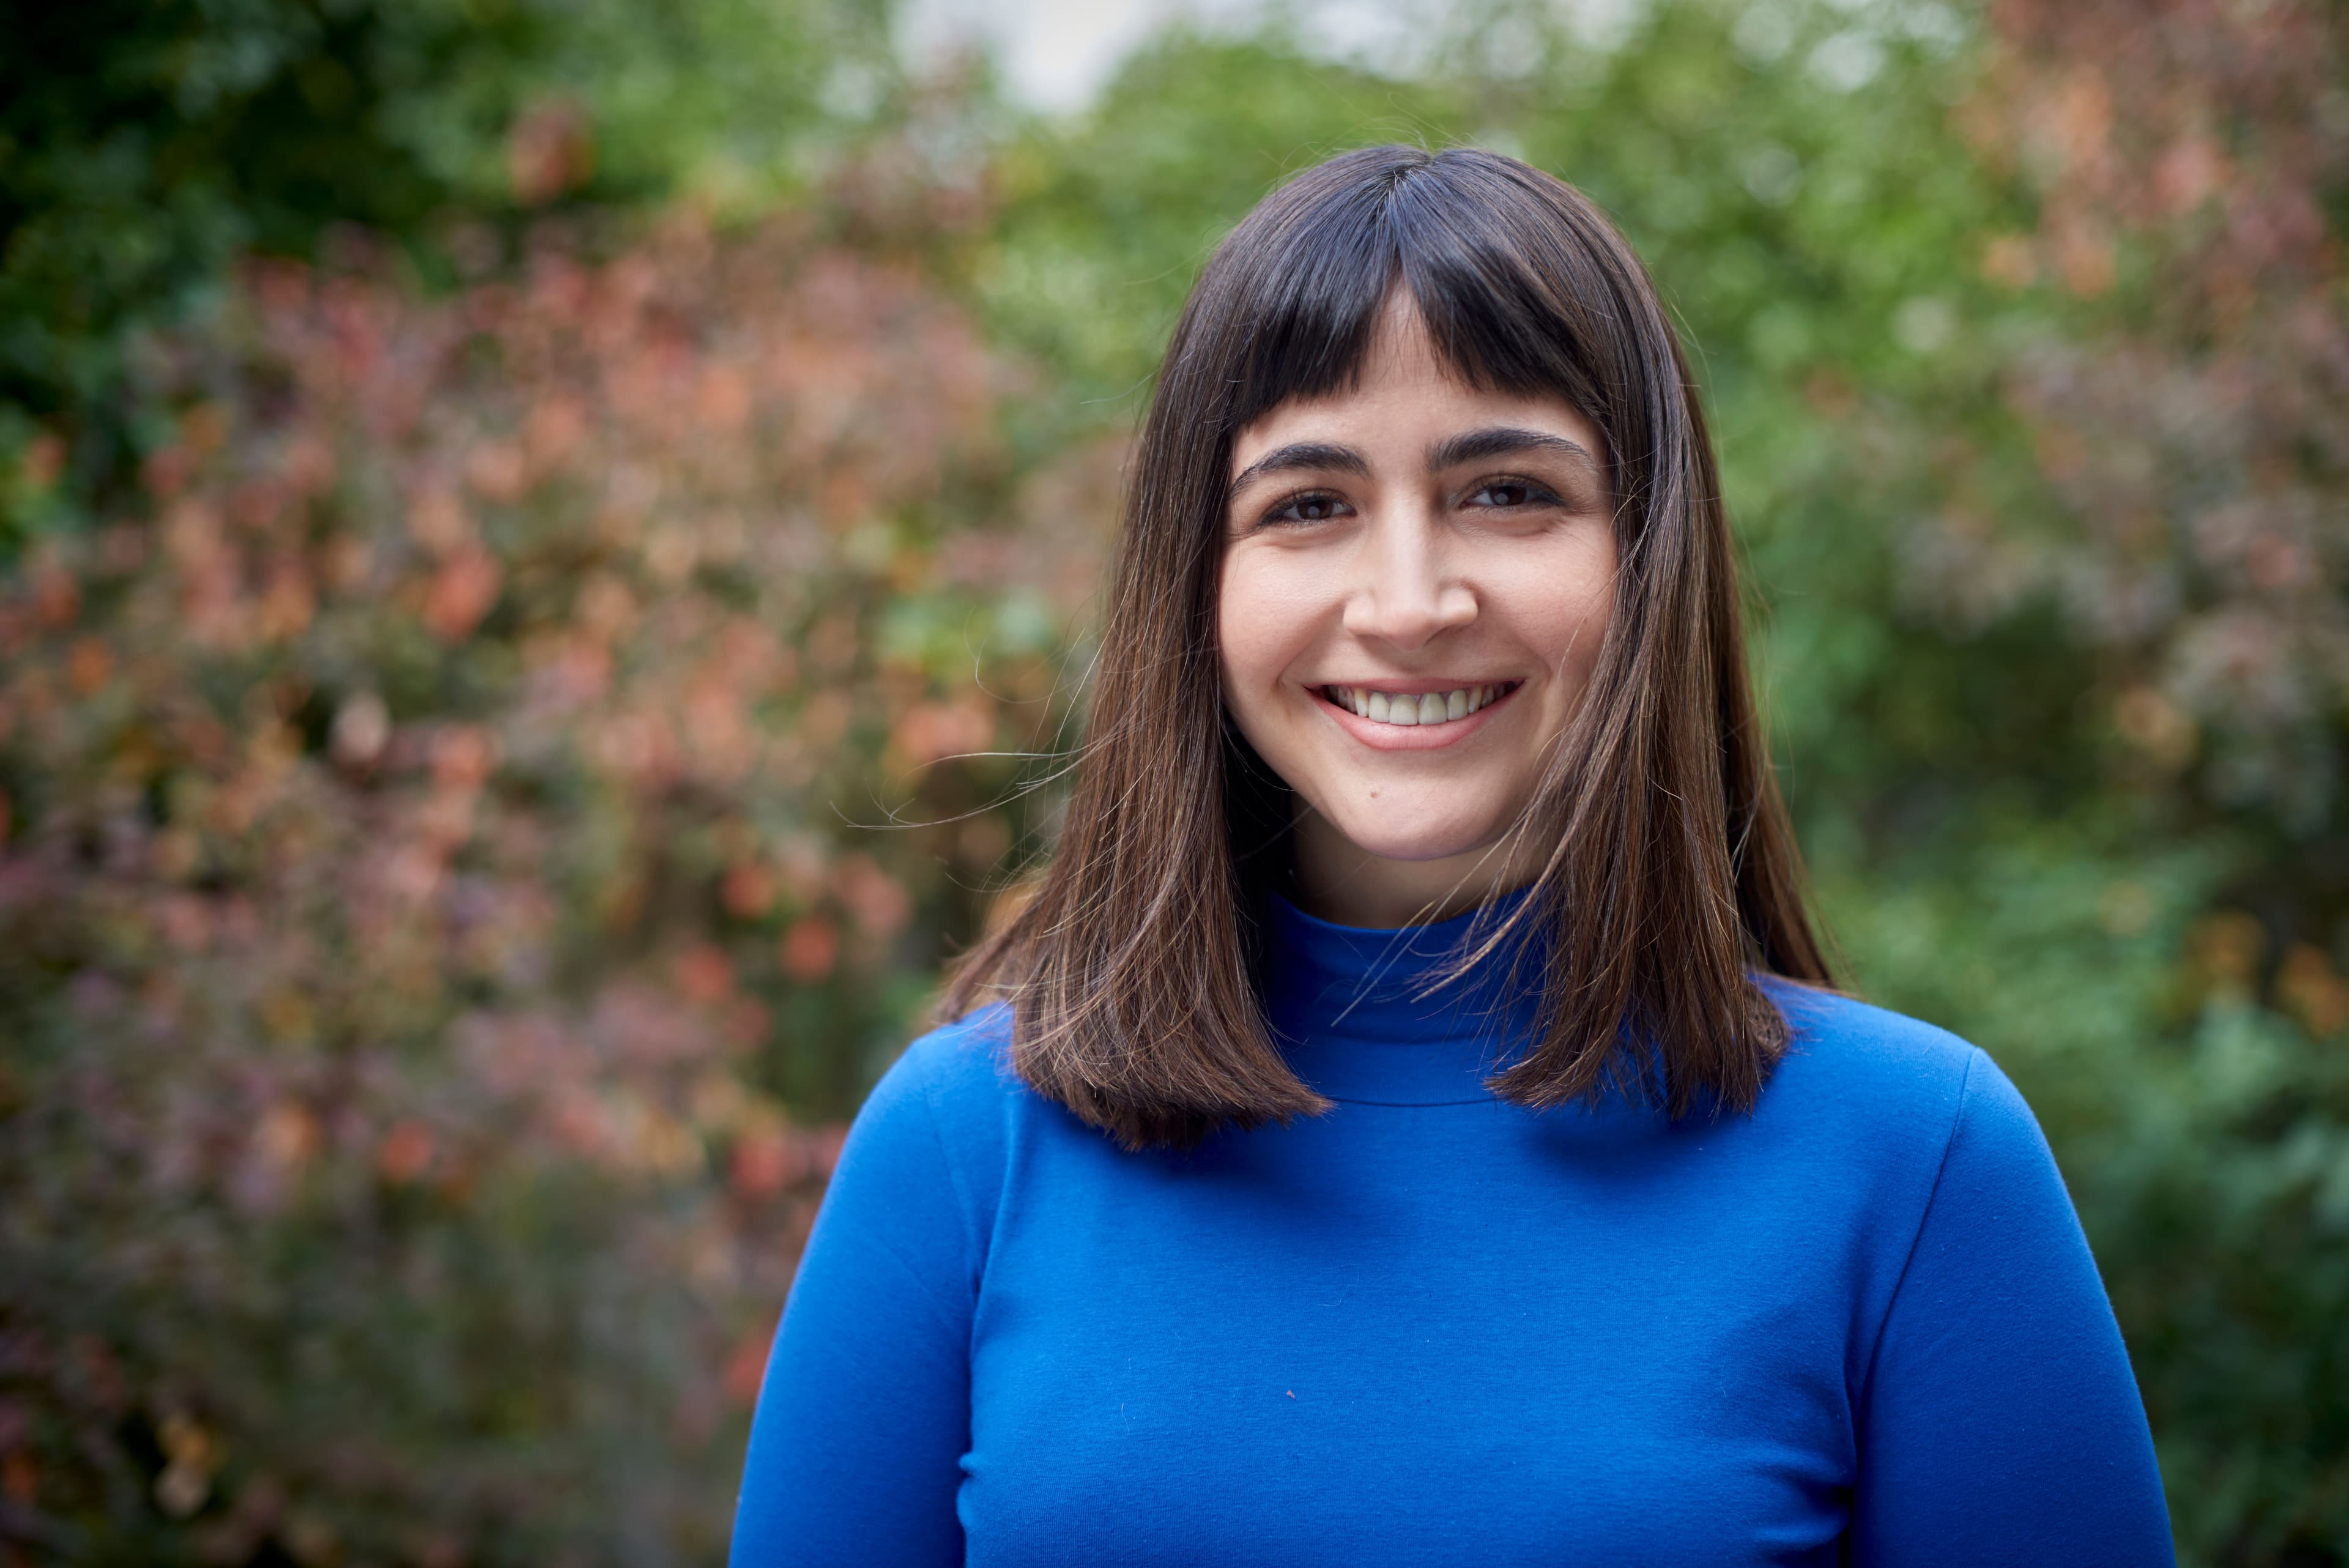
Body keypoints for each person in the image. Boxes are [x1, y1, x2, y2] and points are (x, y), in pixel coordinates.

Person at [727, 146, 2175, 1566]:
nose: (1409, 601)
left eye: (1507, 491)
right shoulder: (962, 1150)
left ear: (1647, 562)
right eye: (1309, 506)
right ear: (1198, 583)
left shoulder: (1916, 1163)